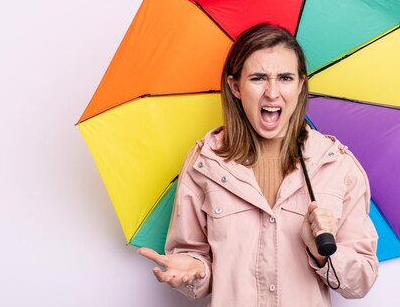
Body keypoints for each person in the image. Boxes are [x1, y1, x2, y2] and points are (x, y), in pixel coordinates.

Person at [138, 24, 379, 306]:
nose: (272, 93)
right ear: (235, 87)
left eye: (286, 78)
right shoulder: (204, 163)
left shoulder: (337, 166)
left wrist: (324, 253)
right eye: (258, 78)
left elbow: (361, 281)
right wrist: (195, 270)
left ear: (301, 85)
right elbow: (194, 256)